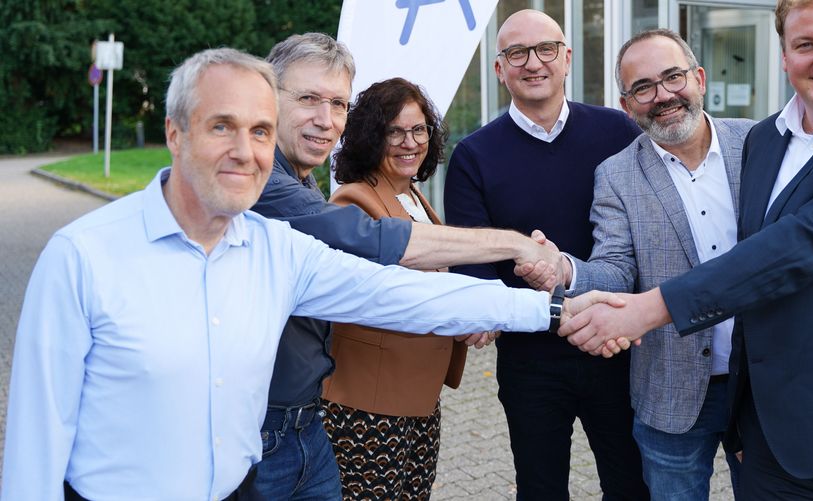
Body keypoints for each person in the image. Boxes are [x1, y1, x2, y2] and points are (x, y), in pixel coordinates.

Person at [0, 47, 611, 501]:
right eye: (222, 126)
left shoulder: (276, 247)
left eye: (260, 131)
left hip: (286, 455)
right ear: (174, 133)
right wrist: (513, 245)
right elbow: (36, 442)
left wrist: (555, 308)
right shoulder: (83, 255)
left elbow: (401, 296)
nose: (245, 150)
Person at [560, 0, 813, 498]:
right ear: (785, 56)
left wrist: (648, 310)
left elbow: (805, 242)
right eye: (806, 44)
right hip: (773, 437)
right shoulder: (767, 139)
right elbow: (745, 277)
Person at [249, 34, 560, 499]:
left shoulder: (306, 182)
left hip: (313, 418)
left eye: (338, 104)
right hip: (309, 418)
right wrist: (518, 258)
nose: (325, 118)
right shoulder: (265, 185)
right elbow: (388, 271)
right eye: (308, 98)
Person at [444, 10, 648, 501]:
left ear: (567, 58)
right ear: (500, 69)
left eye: (546, 49)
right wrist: (480, 311)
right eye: (517, 53)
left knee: (632, 486)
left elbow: (645, 229)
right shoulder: (474, 155)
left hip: (616, 348)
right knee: (540, 489)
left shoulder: (619, 132)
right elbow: (472, 261)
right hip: (531, 358)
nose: (533, 63)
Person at [547, 29, 753, 500]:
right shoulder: (615, 174)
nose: (662, 96)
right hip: (670, 389)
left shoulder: (757, 143)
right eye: (643, 87)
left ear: (699, 79)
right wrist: (566, 270)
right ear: (627, 106)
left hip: (763, 385)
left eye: (673, 77)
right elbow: (616, 270)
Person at [322, 77, 488, 499]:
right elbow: (387, 295)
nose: (409, 142)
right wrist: (468, 313)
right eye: (394, 132)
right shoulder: (353, 202)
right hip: (369, 408)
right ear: (370, 138)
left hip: (418, 400)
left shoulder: (413, 196)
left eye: (418, 130)